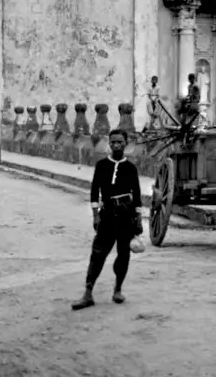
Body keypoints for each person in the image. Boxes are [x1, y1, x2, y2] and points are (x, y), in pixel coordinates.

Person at [71, 129, 143, 309]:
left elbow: (137, 195)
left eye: (120, 142)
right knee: (97, 254)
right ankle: (88, 293)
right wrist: (95, 215)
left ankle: (118, 289)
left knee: (123, 255)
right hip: (107, 214)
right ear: (109, 144)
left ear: (126, 144)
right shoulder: (102, 165)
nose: (116, 145)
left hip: (126, 216)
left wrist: (139, 218)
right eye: (113, 142)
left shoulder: (131, 168)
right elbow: (95, 191)